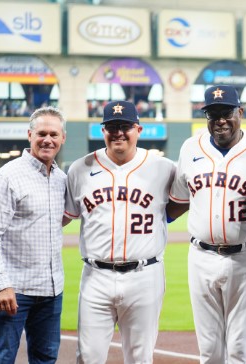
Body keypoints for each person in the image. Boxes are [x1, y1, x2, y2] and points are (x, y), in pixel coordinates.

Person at [63, 100, 176, 364]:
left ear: (139, 129)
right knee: (88, 357)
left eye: (124, 126)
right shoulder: (80, 168)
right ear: (102, 131)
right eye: (111, 127)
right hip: (95, 276)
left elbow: (180, 203)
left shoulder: (164, 168)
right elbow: (64, 217)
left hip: (145, 275)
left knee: (140, 357)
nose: (118, 133)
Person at [167, 85, 246, 363]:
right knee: (210, 350)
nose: (220, 120)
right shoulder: (191, 147)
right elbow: (179, 198)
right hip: (200, 257)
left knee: (240, 349)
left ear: (240, 112)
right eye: (213, 114)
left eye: (226, 112)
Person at [0, 107, 67, 364]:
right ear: (30, 135)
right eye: (41, 133)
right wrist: (1, 284)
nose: (47, 139)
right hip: (14, 291)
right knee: (2, 359)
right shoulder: (8, 177)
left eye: (54, 134)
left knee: (45, 359)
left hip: (51, 291)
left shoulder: (61, 178)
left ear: (63, 138)